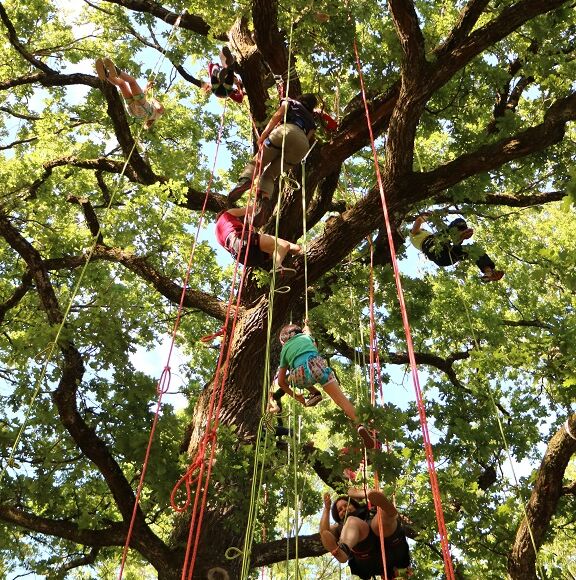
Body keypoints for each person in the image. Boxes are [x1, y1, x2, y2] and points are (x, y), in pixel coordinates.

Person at [228, 94, 337, 227]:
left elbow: (277, 117)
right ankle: (264, 203)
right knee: (269, 175)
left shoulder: (290, 102)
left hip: (286, 131)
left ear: (301, 98)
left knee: (258, 162)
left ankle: (245, 182)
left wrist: (263, 136)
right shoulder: (312, 122)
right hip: (302, 145)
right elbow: (308, 137)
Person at [277, 322, 378, 449]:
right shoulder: (306, 337)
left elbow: (280, 382)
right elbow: (312, 341)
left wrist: (298, 397)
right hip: (318, 367)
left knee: (289, 378)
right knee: (341, 400)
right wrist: (307, 328)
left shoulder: (284, 350)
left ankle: (314, 393)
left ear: (283, 340)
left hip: (300, 376)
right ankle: (361, 425)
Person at [320, 488, 412, 579]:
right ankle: (343, 550)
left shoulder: (369, 509)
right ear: (337, 515)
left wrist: (355, 494)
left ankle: (388, 514)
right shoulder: (338, 527)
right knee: (352, 521)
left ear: (355, 505)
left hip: (391, 545)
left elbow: (379, 493)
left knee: (378, 521)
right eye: (340, 509)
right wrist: (327, 509)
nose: (344, 509)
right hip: (367, 556)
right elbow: (324, 532)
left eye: (346, 505)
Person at [410, 214, 504, 282]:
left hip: (446, 257)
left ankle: (488, 272)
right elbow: (418, 221)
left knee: (474, 250)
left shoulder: (428, 235)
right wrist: (428, 216)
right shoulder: (413, 235)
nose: (424, 229)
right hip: (436, 249)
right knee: (455, 224)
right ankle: (459, 233)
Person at [215, 206, 301, 273]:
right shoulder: (226, 214)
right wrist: (252, 210)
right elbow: (250, 208)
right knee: (282, 245)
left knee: (285, 247)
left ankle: (296, 250)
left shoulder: (218, 236)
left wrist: (249, 224)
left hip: (244, 257)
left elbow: (236, 248)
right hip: (241, 240)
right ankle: (277, 267)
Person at [95, 58, 164, 129]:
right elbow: (139, 97)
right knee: (122, 84)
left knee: (132, 81)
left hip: (141, 109)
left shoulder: (156, 113)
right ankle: (106, 74)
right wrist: (147, 86)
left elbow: (160, 108)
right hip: (132, 110)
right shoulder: (149, 114)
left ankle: (116, 71)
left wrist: (154, 100)